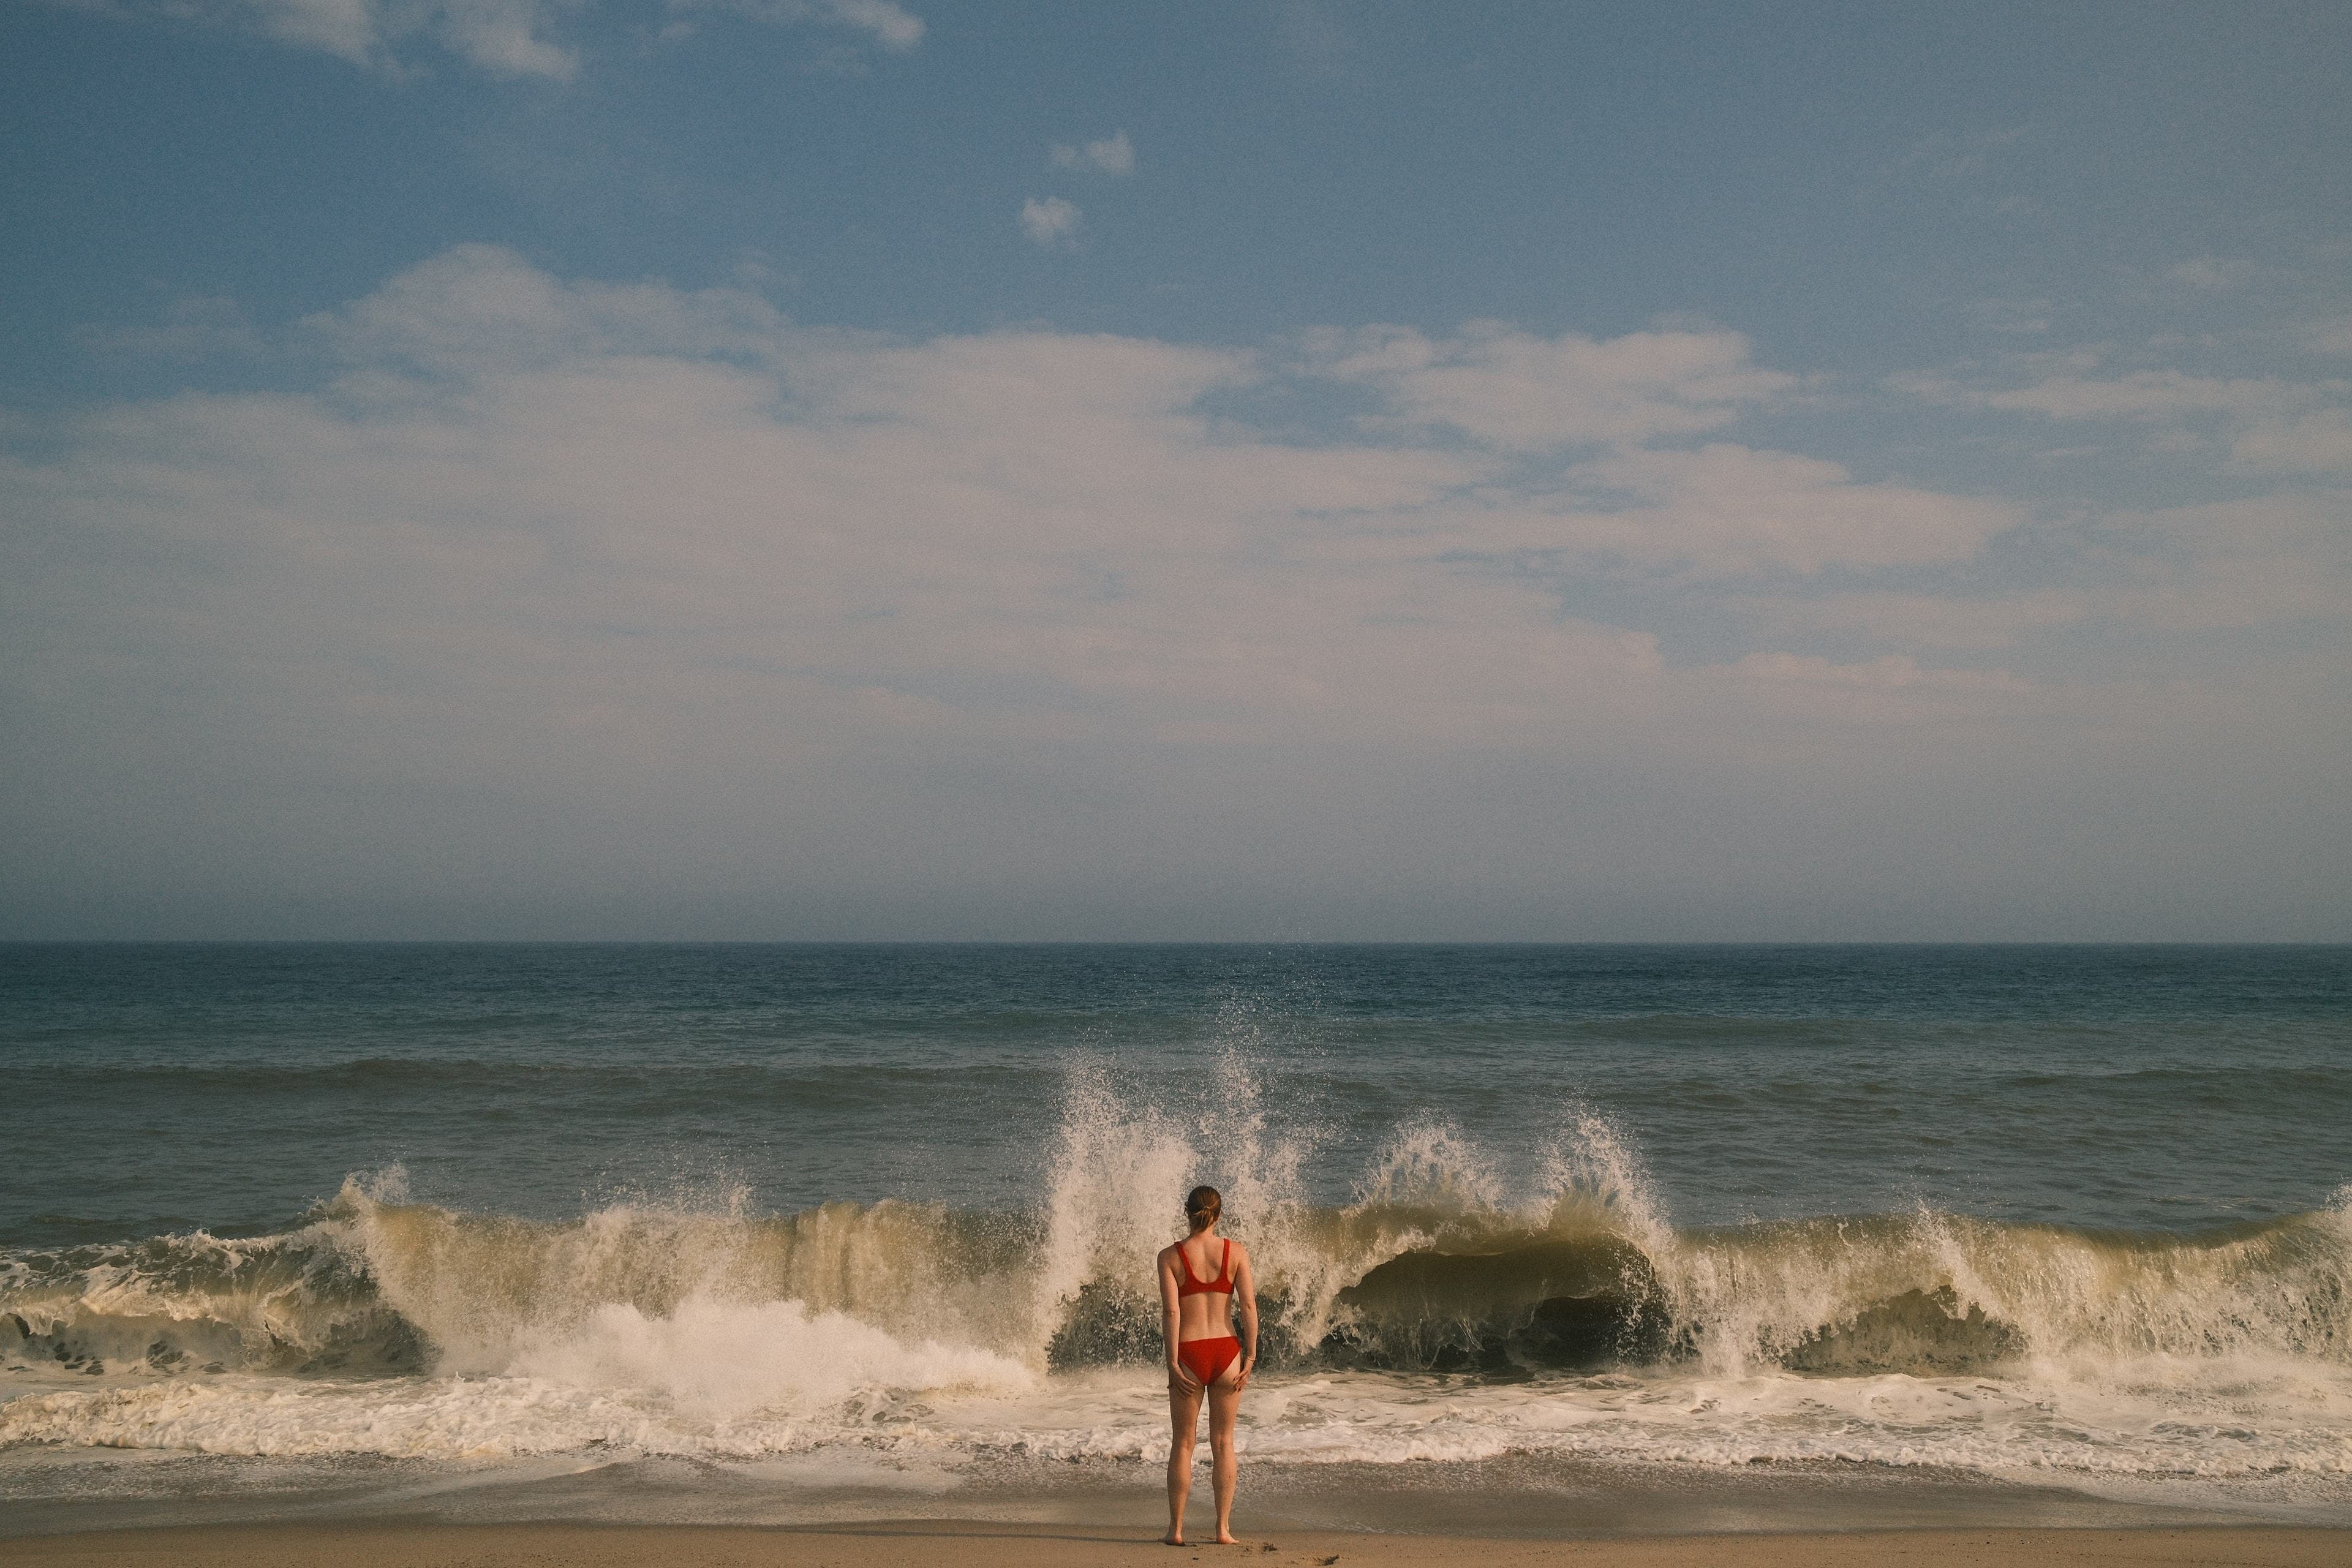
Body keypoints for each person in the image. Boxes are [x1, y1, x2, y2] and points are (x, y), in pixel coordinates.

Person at [1157, 1183, 1256, 1546]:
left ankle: (1176, 1530)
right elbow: (1248, 1306)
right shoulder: (1235, 1252)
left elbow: (1172, 1312)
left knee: (1183, 1443)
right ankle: (1223, 1529)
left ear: (1187, 1212)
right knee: (1224, 1442)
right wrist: (1250, 1355)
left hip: (1190, 1352)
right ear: (1219, 1215)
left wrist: (1173, 1363)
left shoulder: (1170, 1256)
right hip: (1227, 1352)